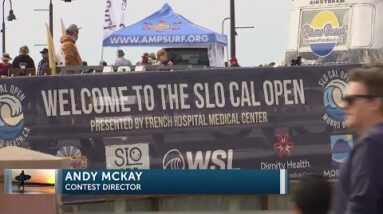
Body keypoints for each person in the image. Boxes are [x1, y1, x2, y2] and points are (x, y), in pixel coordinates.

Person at [332, 64, 383, 214]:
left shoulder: (371, 144)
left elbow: (361, 206)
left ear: (375, 103)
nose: (344, 106)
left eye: (350, 100)